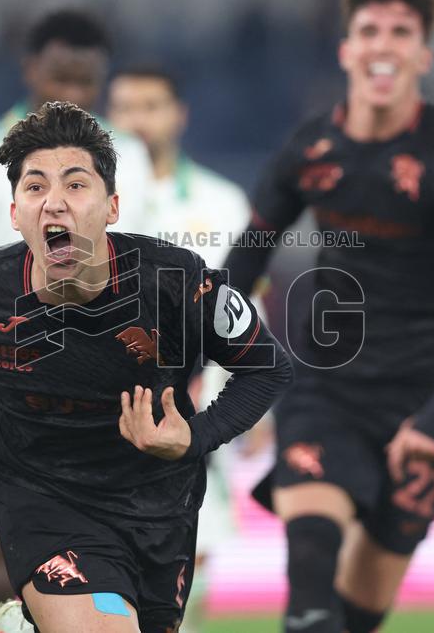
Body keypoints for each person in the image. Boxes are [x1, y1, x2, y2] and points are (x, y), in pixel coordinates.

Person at [222, 0, 434, 631]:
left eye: (402, 33)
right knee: (309, 601)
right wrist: (243, 372)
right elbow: (243, 263)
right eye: (370, 30)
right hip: (326, 391)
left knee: (359, 614)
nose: (384, 46)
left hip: (426, 408)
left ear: (423, 55)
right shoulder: (311, 150)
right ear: (345, 49)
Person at [0, 101, 293, 633]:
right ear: (15, 213)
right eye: (35, 187)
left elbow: (268, 368)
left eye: (76, 185)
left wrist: (194, 437)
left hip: (157, 507)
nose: (54, 203)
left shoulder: (176, 283)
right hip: (42, 498)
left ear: (112, 206)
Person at [0, 9, 155, 623]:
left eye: (85, 80)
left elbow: (147, 281)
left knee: (109, 563)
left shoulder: (129, 161)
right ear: (29, 70)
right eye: (58, 76)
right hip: (6, 392)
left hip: (100, 400)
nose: (70, 93)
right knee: (1, 556)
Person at [107, 66, 257, 633]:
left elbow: (243, 312)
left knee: (189, 580)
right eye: (124, 108)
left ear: (179, 114)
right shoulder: (87, 201)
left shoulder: (223, 203)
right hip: (106, 413)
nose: (137, 121)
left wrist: (244, 401)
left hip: (198, 414)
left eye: (151, 105)